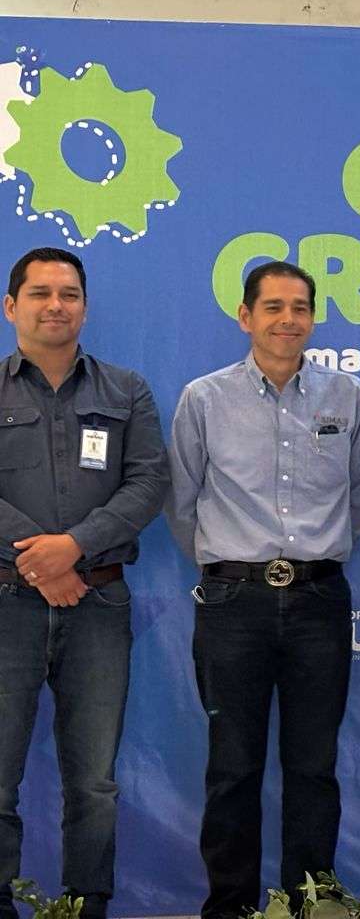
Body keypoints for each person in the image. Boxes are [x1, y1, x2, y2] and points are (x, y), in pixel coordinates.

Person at [168, 261, 360, 918]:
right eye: (273, 307)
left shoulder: (348, 395)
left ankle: (309, 904)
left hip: (319, 600)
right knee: (233, 768)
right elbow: (182, 502)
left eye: (300, 307)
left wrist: (312, 559)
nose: (288, 319)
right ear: (245, 316)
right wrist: (231, 568)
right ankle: (230, 906)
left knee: (314, 767)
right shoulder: (204, 399)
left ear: (313, 317)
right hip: (234, 603)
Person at [0, 247, 169, 919]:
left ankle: (87, 904)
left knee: (94, 782)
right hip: (6, 604)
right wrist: (40, 563)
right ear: (11, 306)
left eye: (68, 294)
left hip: (98, 602)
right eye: (40, 294)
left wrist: (73, 548)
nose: (56, 306)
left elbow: (149, 482)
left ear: (85, 307)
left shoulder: (126, 390)